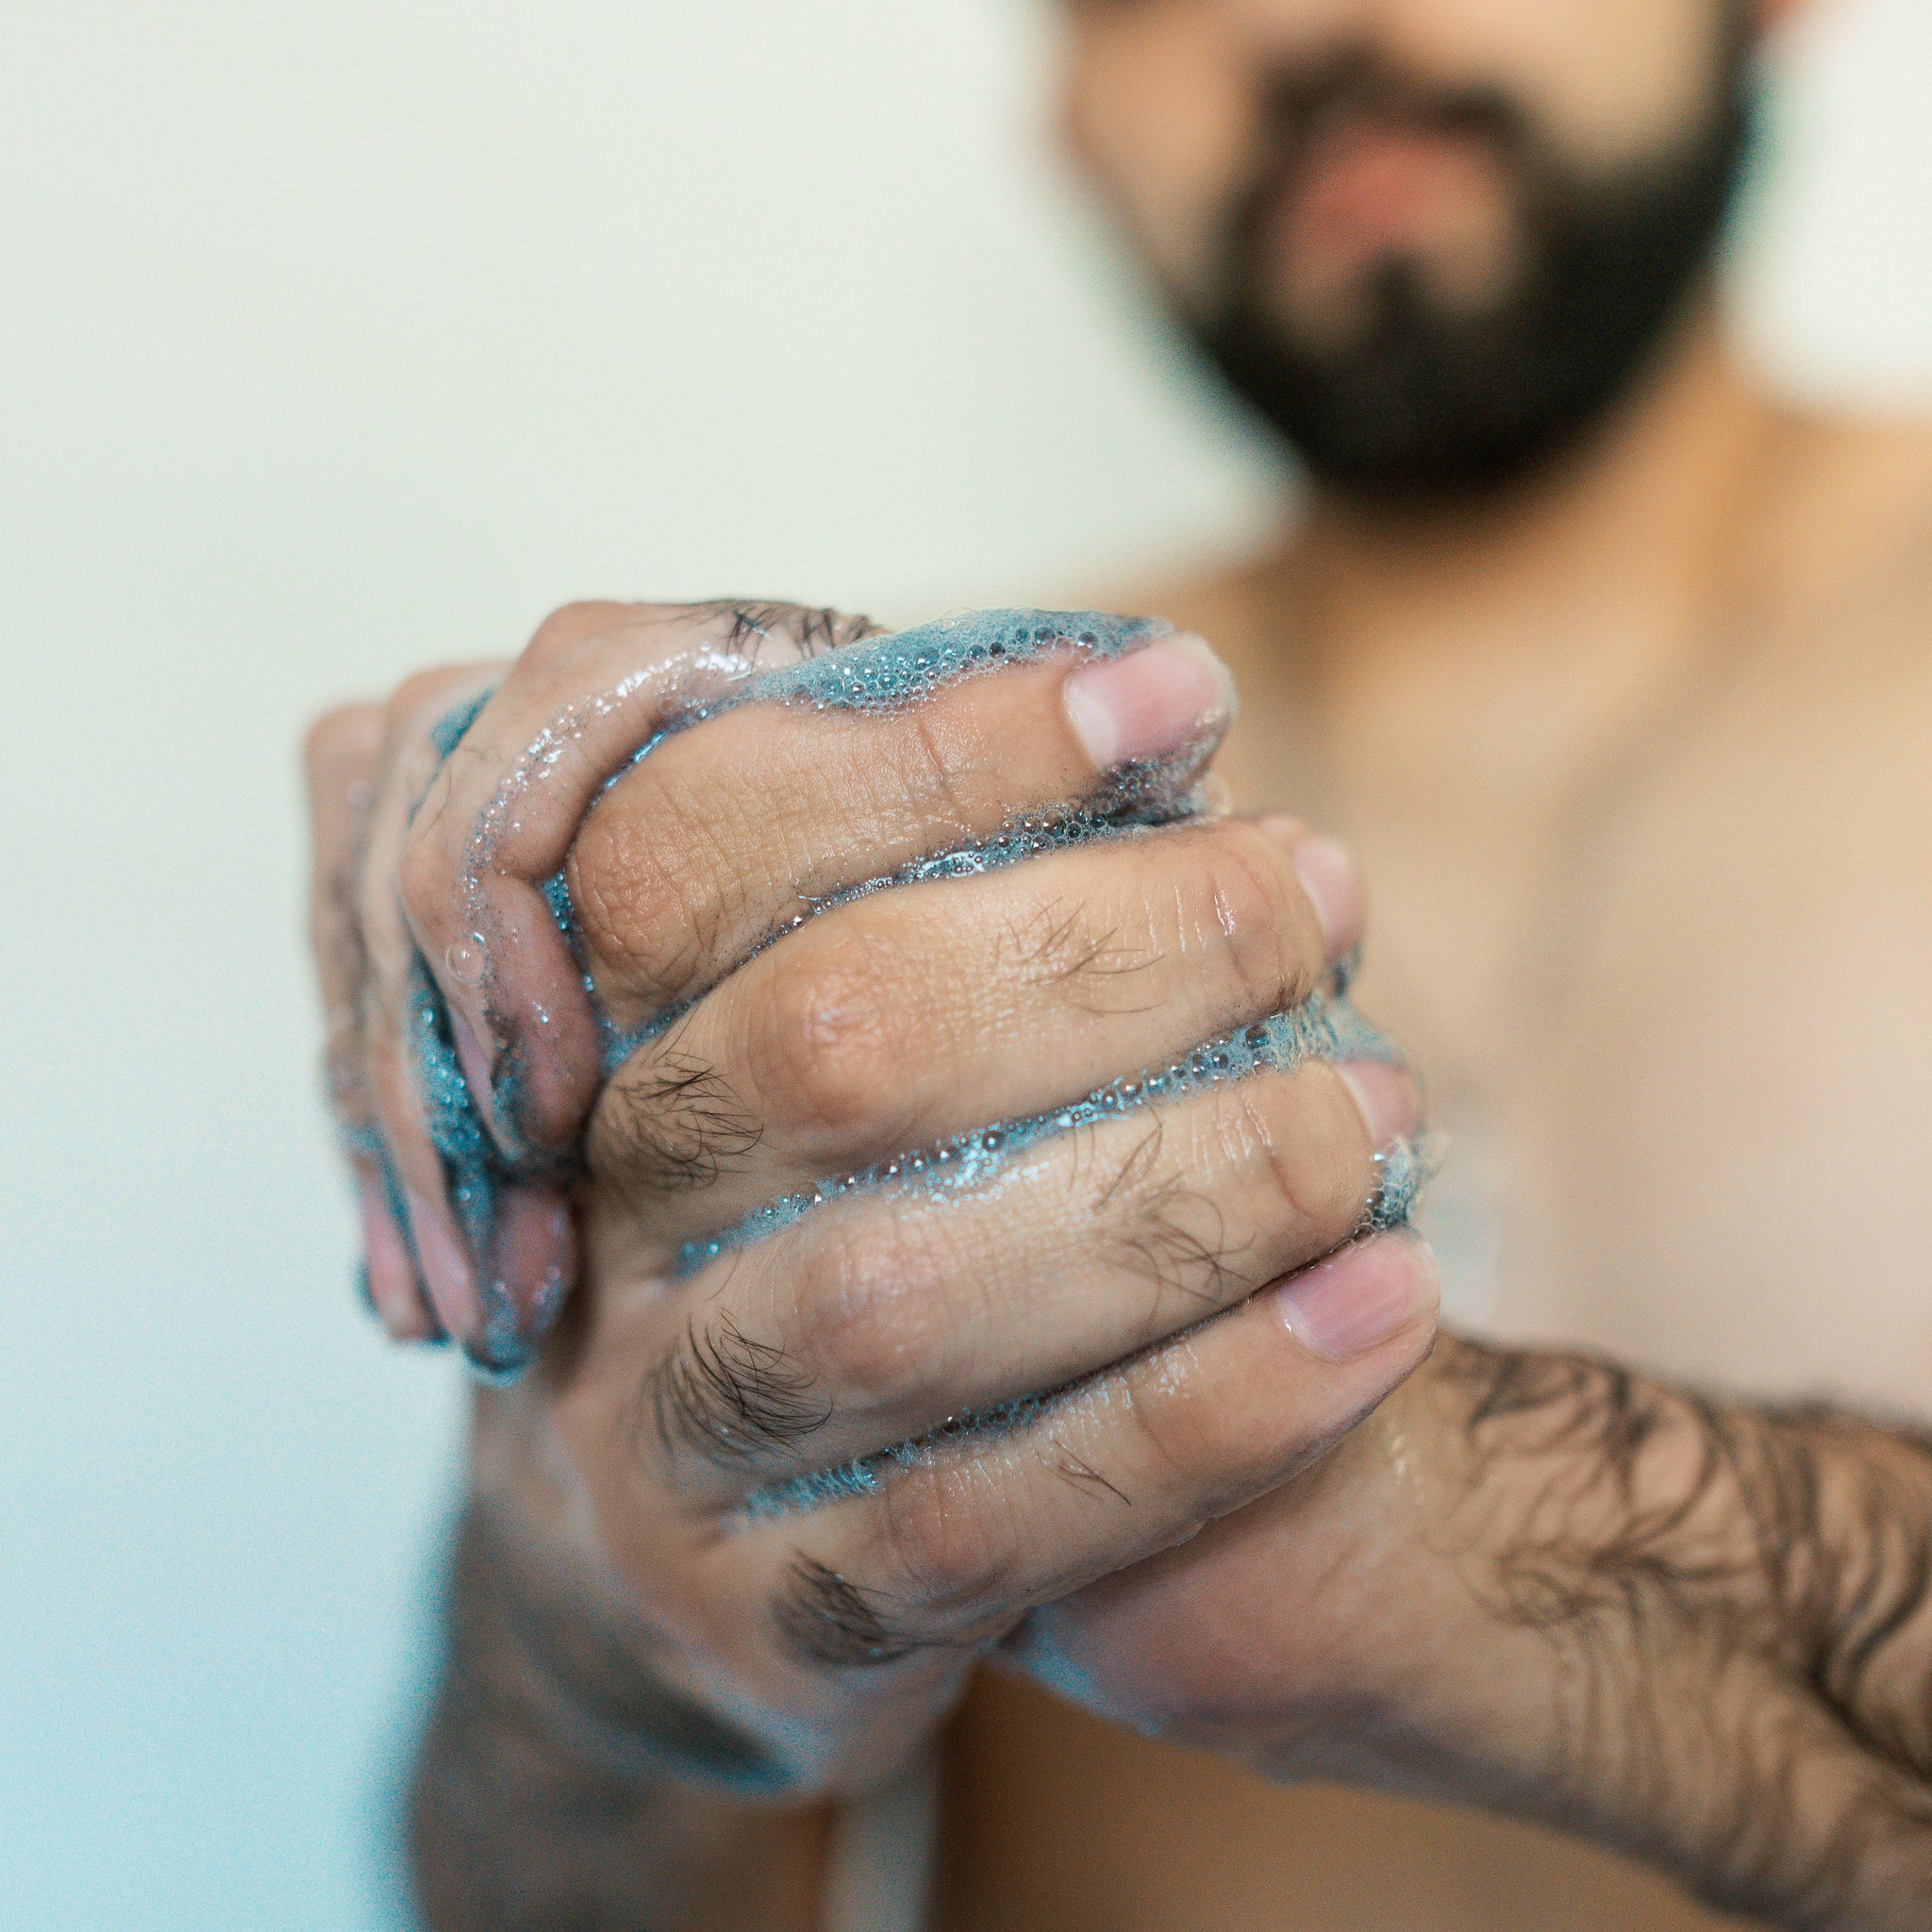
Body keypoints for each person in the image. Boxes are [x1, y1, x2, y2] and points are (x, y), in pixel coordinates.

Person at [303, 0, 1932, 1923]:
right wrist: (596, 1673)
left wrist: (1475, 1542)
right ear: (1064, 118)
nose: (1301, 22)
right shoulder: (845, 863)